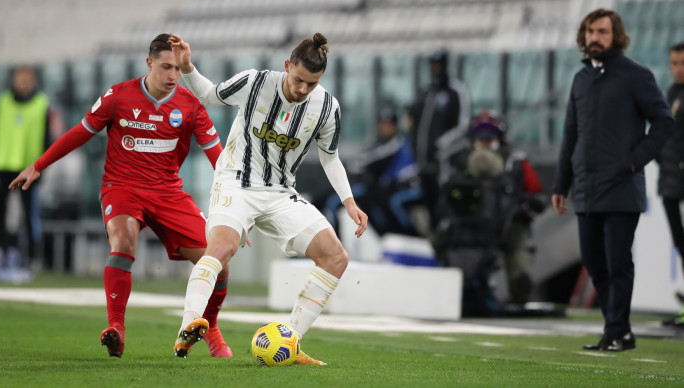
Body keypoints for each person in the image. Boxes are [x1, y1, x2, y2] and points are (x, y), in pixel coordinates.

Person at [8, 34, 232, 359]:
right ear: (149, 63)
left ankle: (209, 326)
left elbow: (218, 158)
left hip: (168, 192)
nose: (172, 75)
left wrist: (234, 207)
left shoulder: (189, 104)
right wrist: (39, 165)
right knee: (123, 241)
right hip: (122, 186)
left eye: (177, 69)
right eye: (165, 67)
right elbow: (80, 132)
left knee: (218, 262)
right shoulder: (118, 96)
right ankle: (117, 328)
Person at [168, 32, 367, 365]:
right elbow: (207, 94)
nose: (303, 89)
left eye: (312, 84)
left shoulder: (327, 108)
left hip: (280, 193)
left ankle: (289, 341)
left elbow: (330, 157)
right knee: (221, 250)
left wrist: (349, 201)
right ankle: (188, 325)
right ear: (287, 66)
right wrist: (188, 66)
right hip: (236, 182)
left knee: (336, 257)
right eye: (299, 79)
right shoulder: (254, 82)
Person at [551, 9, 674, 352]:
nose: (595, 38)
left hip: (621, 185)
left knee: (618, 262)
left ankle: (617, 331)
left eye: (603, 32)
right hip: (586, 188)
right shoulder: (581, 80)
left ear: (616, 35)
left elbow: (664, 122)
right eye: (590, 31)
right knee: (593, 262)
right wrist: (561, 184)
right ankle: (617, 329)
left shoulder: (636, 75)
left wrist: (634, 161)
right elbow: (570, 134)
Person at [432, 111, 545, 313]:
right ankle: (452, 291)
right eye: (480, 140)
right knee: (441, 241)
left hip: (507, 224)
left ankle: (518, 288)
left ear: (500, 140)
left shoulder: (516, 162)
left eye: (489, 139)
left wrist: (525, 203)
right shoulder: (460, 162)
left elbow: (537, 194)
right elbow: (446, 197)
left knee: (518, 247)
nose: (484, 144)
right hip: (468, 225)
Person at [0, 66, 63, 268]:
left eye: (28, 78)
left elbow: (47, 137)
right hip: (3, 165)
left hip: (29, 168)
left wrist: (43, 166)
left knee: (30, 214)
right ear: (13, 79)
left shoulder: (42, 104)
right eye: (20, 78)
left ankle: (31, 259)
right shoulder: (1, 102)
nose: (24, 82)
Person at [322, 108, 419, 237]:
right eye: (382, 124)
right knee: (325, 201)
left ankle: (410, 236)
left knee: (333, 203)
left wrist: (356, 165)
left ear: (395, 126)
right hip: (370, 187)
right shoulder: (377, 143)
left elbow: (365, 162)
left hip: (377, 187)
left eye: (388, 125)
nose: (384, 128)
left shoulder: (397, 143)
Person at [407, 50, 470, 229]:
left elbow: (462, 124)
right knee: (428, 203)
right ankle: (435, 237)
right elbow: (414, 122)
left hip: (444, 163)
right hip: (423, 162)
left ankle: (447, 235)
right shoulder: (426, 92)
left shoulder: (454, 91)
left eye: (438, 65)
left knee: (444, 201)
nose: (434, 69)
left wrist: (442, 144)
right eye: (432, 65)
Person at [659, 42, 684, 327]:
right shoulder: (672, 93)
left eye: (683, 63)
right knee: (680, 243)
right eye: (674, 62)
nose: (678, 68)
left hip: (679, 178)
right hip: (670, 182)